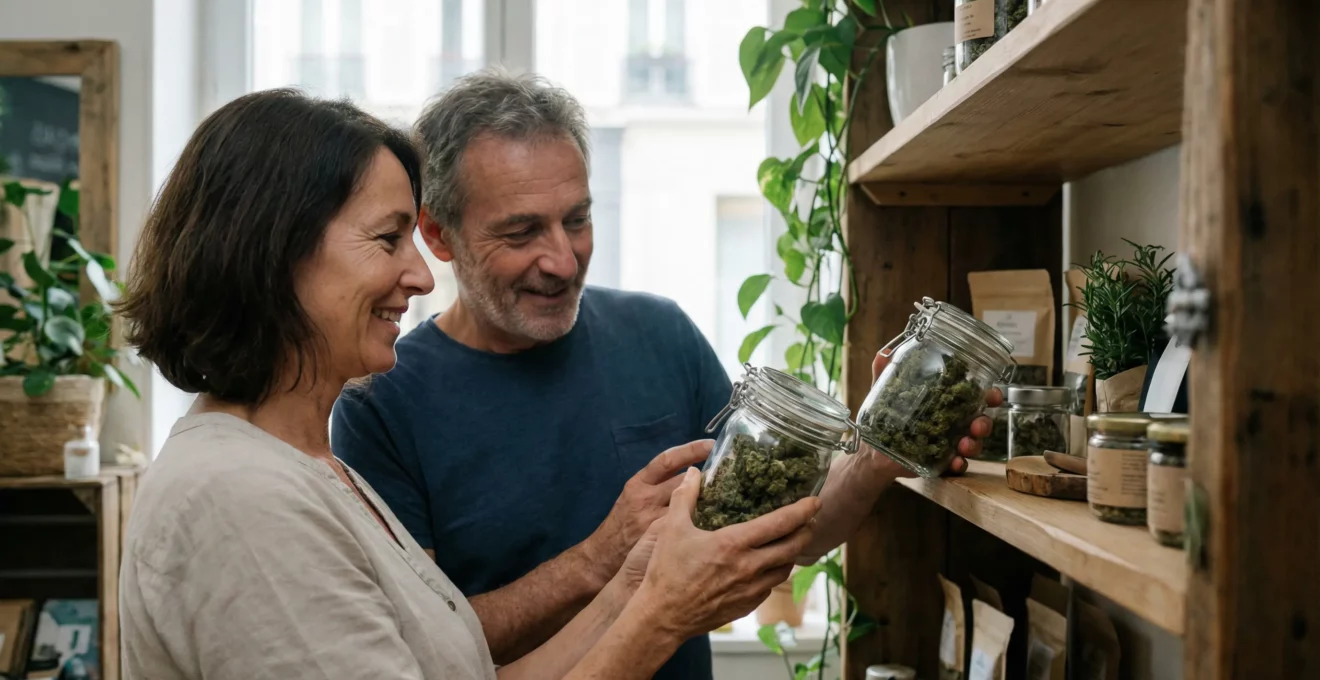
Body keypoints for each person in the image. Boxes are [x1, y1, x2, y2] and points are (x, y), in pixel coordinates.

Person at [114, 89, 822, 680]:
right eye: (389, 240)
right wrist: (660, 611)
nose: (421, 275)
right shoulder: (242, 498)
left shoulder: (310, 469)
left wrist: (639, 580)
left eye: (576, 219)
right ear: (272, 256)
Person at [332, 68, 998, 678]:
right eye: (521, 232)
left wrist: (883, 453)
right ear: (439, 235)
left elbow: (789, 535)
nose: (563, 260)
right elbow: (425, 651)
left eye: (578, 219)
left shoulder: (660, 335)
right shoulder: (379, 403)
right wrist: (601, 556)